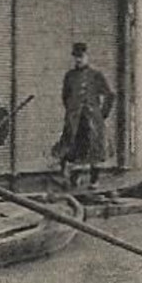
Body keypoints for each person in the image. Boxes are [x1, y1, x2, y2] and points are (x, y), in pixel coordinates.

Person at [52, 41, 115, 188]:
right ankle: (74, 181)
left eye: (81, 57)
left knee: (95, 150)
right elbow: (65, 96)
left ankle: (94, 181)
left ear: (87, 57)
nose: (78, 60)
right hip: (76, 120)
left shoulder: (96, 75)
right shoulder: (70, 76)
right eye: (76, 57)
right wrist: (71, 112)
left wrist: (102, 114)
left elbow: (109, 95)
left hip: (92, 119)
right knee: (74, 148)